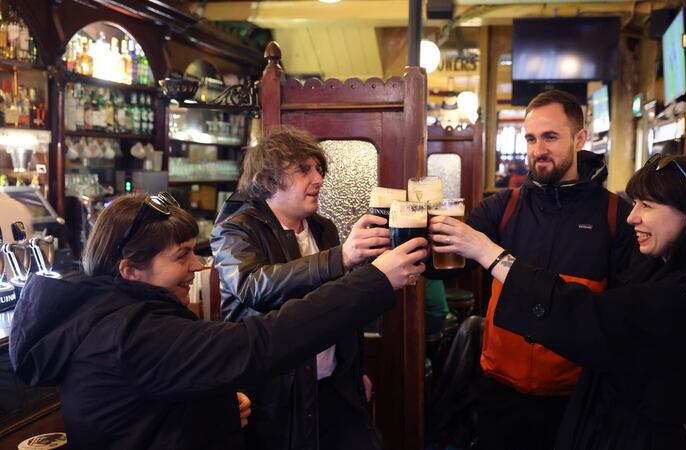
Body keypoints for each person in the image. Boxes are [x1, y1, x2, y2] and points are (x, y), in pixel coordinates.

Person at [10, 193, 427, 450]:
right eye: (182, 256)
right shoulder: (130, 334)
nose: (197, 266)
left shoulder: (110, 314)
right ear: (129, 270)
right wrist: (374, 280)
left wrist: (216, 408)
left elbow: (153, 412)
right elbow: (262, 341)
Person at [429, 154, 686, 449]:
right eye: (634, 203)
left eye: (647, 205)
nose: (632, 217)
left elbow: (588, 313)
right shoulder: (659, 265)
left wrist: (489, 253)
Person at [429, 90, 636, 450]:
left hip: (574, 398)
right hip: (499, 391)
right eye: (531, 138)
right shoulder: (500, 208)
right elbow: (445, 269)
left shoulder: (616, 216)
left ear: (580, 138)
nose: (538, 149)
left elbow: (621, 317)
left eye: (551, 137)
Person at [211, 127, 391, 450]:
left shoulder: (323, 228)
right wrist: (340, 257)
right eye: (303, 170)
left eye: (318, 169)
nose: (318, 179)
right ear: (268, 181)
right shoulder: (235, 228)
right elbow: (253, 284)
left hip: (334, 387)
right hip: (276, 399)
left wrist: (353, 373)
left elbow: (343, 305)